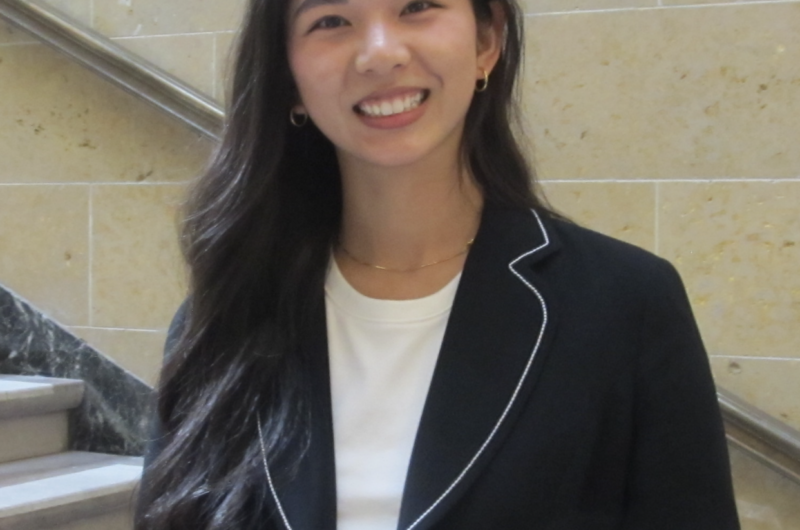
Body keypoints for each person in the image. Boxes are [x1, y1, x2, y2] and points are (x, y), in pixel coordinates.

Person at [135, 0, 741, 528]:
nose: (380, 53)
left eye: (418, 6)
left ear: (486, 40)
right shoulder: (225, 315)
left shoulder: (625, 303)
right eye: (331, 20)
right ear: (288, 76)